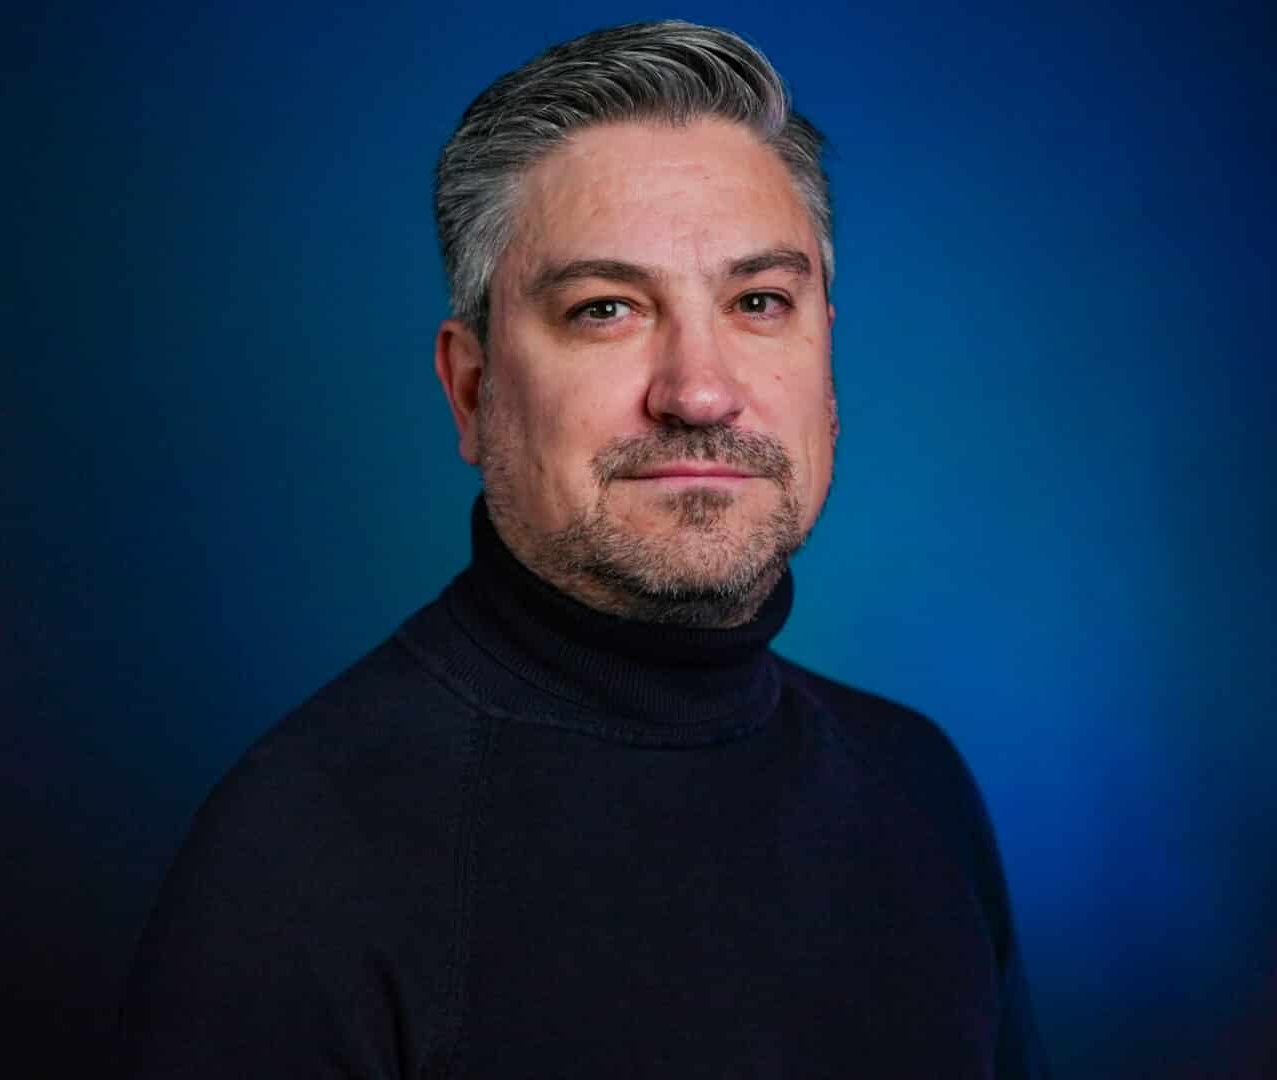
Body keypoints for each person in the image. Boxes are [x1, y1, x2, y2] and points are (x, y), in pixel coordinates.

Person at [122, 21, 1047, 1078]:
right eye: (605, 309)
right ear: (473, 391)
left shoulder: (918, 784)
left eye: (758, 302)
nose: (699, 391)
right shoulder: (301, 853)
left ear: (826, 368)